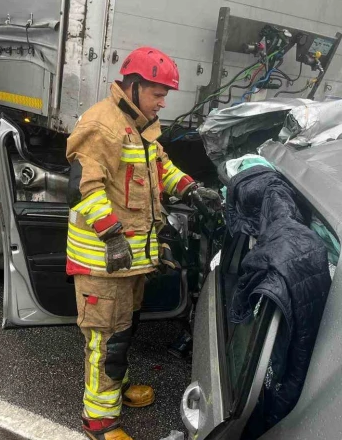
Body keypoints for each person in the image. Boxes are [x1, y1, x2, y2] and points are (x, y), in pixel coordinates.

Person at [65, 47, 216, 440]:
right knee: (106, 342)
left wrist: (192, 189)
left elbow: (160, 167)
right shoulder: (102, 125)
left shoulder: (143, 125)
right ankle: (99, 422)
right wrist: (113, 236)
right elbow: (83, 188)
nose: (163, 101)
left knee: (124, 330)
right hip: (104, 260)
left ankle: (116, 391)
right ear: (132, 87)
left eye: (165, 93)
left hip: (130, 262)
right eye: (157, 92)